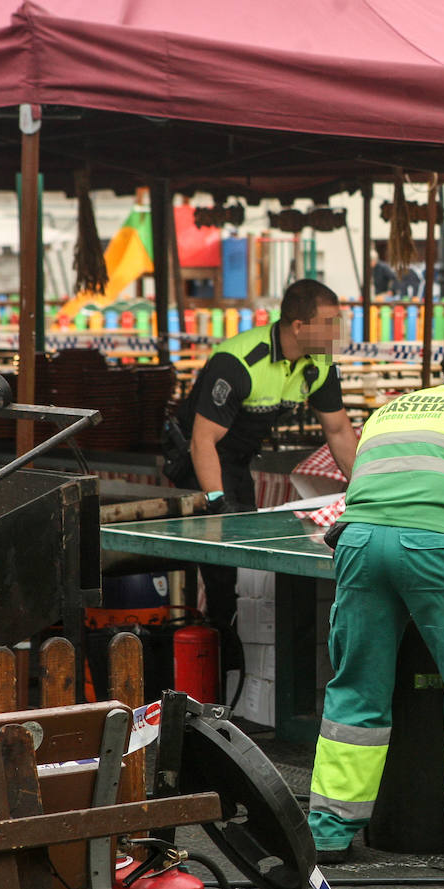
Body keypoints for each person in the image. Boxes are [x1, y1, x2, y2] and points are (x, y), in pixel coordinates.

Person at [307, 348, 444, 865]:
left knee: (356, 688)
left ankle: (329, 833)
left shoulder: (389, 411)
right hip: (433, 549)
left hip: (357, 545)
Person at [165, 278, 357, 670]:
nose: (338, 332)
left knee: (246, 554)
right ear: (299, 327)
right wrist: (216, 503)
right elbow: (202, 442)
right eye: (329, 322)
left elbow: (338, 431)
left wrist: (365, 488)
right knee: (220, 559)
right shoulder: (237, 362)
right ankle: (218, 652)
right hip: (195, 457)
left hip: (236, 459)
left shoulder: (319, 364)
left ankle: (239, 646)